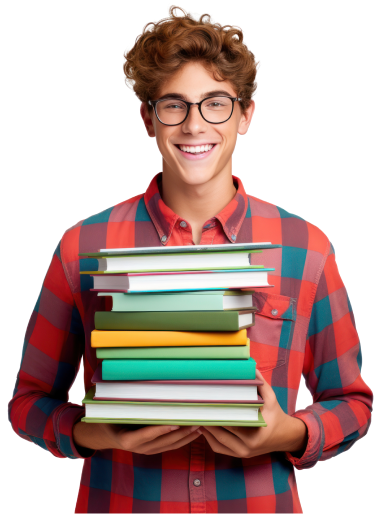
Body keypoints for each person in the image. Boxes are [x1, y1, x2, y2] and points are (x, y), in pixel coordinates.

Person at [8, 4, 373, 513]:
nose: (194, 124)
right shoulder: (82, 246)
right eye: (174, 105)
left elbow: (353, 403)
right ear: (147, 118)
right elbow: (27, 403)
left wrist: (288, 433)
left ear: (246, 114)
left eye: (215, 104)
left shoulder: (305, 247)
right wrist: (92, 433)